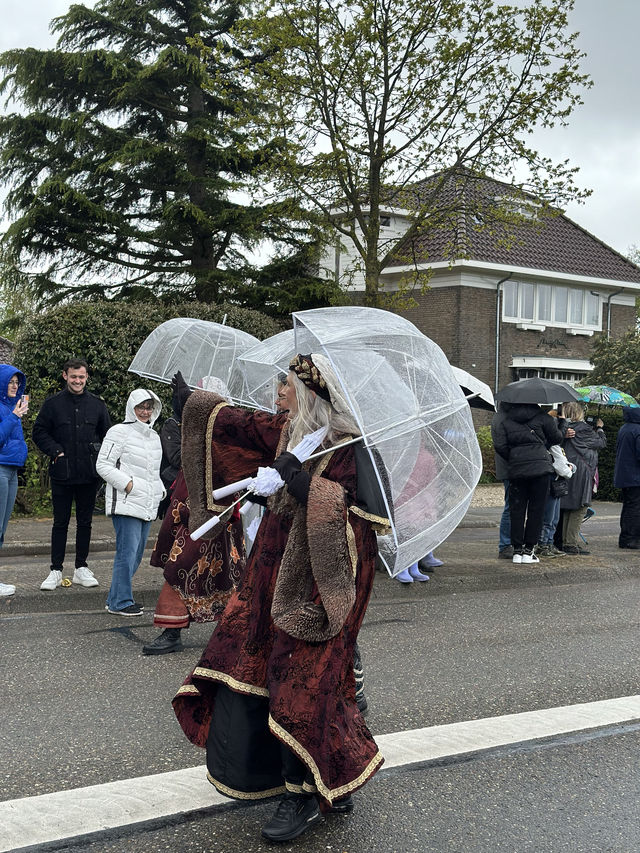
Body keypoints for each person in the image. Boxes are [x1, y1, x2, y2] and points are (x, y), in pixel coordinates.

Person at [173, 353, 389, 843]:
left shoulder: (352, 448)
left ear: (312, 394)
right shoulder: (294, 433)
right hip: (272, 572)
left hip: (321, 584)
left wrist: (301, 482)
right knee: (269, 667)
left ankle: (301, 796)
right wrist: (194, 405)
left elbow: (363, 521)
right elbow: (242, 426)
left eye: (287, 386)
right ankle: (330, 775)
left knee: (303, 680)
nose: (278, 394)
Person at [143, 373, 245, 655]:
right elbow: (180, 458)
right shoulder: (188, 427)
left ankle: (234, 630)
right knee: (179, 565)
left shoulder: (228, 431)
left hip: (220, 510)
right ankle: (172, 630)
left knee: (228, 570)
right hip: (189, 507)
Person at [33, 358, 111, 591]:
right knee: (60, 522)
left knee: (85, 523)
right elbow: (39, 432)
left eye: (82, 377)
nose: (78, 381)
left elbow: (108, 436)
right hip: (62, 473)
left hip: (88, 474)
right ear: (65, 376)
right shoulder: (52, 404)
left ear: (86, 377)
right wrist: (55, 450)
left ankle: (81, 568)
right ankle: (55, 570)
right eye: (74, 376)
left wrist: (98, 457)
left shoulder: (98, 405)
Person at [96, 389, 164, 616]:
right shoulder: (119, 431)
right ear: (131, 408)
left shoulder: (154, 436)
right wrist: (128, 484)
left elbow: (153, 471)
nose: (145, 412)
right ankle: (122, 601)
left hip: (147, 502)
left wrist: (160, 491)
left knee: (134, 555)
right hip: (126, 503)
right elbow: (103, 465)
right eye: (140, 407)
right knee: (127, 554)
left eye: (148, 408)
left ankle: (114, 600)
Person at [492, 402, 562, 564]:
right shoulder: (543, 418)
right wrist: (562, 424)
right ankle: (529, 551)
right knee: (536, 511)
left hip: (517, 470)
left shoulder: (507, 421)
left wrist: (515, 457)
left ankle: (517, 551)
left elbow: (500, 446)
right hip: (540, 470)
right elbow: (556, 438)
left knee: (516, 510)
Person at [558, 402, 606, 555]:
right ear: (579, 413)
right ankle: (571, 544)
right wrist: (599, 428)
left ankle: (566, 541)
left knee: (568, 507)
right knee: (580, 507)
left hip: (568, 469)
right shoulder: (584, 429)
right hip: (582, 472)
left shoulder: (562, 429)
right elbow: (601, 443)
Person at [0, 365, 29, 597]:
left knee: (2, 529)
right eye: (10, 381)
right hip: (0, 469)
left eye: (17, 382)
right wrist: (13, 416)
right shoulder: (7, 410)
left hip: (11, 471)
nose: (15, 385)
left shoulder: (11, 407)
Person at [491, 402, 513, 559]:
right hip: (510, 468)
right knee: (511, 507)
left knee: (511, 507)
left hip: (508, 468)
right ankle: (505, 544)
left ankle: (507, 543)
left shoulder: (500, 417)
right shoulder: (503, 419)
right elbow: (502, 446)